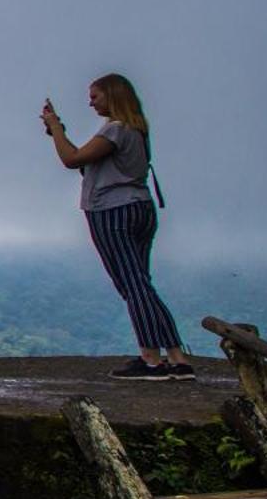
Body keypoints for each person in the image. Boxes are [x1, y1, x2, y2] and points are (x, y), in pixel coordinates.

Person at [40, 73, 194, 381]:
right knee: (140, 283)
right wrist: (59, 132)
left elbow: (71, 160)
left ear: (112, 95)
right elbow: (86, 160)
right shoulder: (136, 130)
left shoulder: (114, 129)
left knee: (133, 285)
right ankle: (176, 358)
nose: (90, 102)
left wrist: (55, 127)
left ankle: (152, 361)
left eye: (95, 96)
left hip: (112, 211)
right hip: (141, 207)